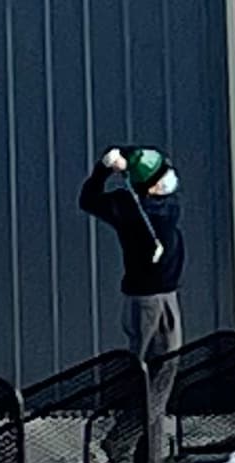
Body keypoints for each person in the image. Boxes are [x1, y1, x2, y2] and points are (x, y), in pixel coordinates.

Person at [78, 147, 188, 438]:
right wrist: (104, 169)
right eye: (161, 178)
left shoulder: (161, 202)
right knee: (143, 377)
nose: (169, 181)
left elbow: (145, 161)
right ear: (148, 186)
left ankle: (144, 448)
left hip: (169, 296)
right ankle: (122, 448)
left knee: (165, 373)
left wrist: (121, 157)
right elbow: (87, 200)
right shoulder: (128, 206)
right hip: (145, 301)